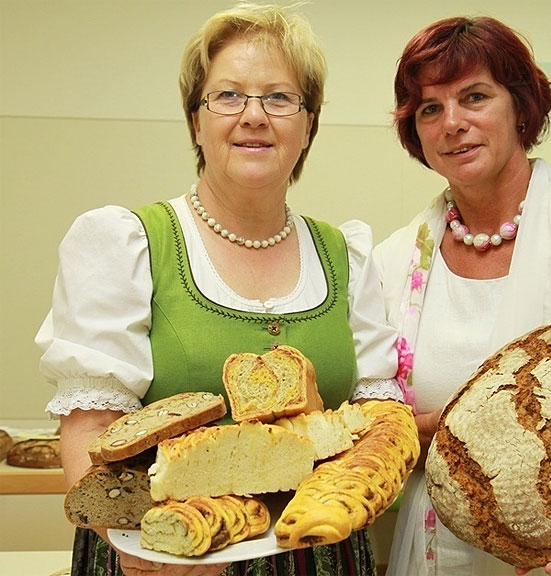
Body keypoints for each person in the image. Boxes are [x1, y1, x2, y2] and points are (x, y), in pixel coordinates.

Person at [35, 3, 397, 575]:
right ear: (195, 121)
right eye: (228, 96)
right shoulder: (126, 242)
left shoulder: (346, 254)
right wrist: (147, 548)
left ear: (309, 125)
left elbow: (376, 420)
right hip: (161, 554)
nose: (254, 116)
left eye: (280, 98)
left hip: (316, 556)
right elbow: (92, 427)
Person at [351, 15, 551, 576]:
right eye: (430, 108)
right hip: (438, 555)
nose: (452, 123)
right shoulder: (390, 261)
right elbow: (374, 419)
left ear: (521, 107)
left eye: (474, 97)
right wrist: (410, 431)